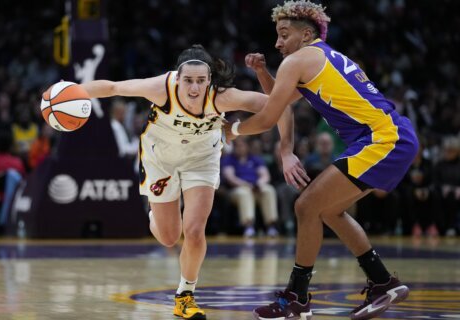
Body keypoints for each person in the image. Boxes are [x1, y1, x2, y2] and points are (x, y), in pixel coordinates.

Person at [77, 44, 302, 320]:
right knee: (169, 237)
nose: (194, 88)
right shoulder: (161, 87)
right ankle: (155, 215)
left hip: (202, 158)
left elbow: (280, 104)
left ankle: (185, 296)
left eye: (200, 81)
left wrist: (282, 148)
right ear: (177, 77)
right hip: (160, 159)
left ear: (210, 80)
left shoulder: (222, 97)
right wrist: (71, 90)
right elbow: (112, 88)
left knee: (194, 231)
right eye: (188, 81)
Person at [224, 1, 419, 319]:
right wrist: (262, 72)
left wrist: (231, 131)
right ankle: (383, 282)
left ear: (305, 34)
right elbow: (281, 98)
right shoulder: (322, 56)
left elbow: (269, 115)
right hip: (390, 136)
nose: (277, 43)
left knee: (306, 206)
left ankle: (297, 298)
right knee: (327, 210)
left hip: (383, 138)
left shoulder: (299, 60)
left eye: (284, 34)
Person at [221, 136, 279, 238]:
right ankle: (249, 226)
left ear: (247, 147)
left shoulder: (255, 159)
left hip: (256, 187)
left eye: (242, 145)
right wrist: (246, 185)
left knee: (269, 190)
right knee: (245, 193)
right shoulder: (229, 159)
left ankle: (271, 226)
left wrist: (260, 184)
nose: (239, 148)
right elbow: (230, 178)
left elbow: (265, 175)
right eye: (237, 146)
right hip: (237, 189)